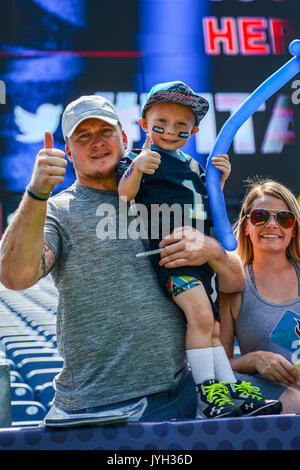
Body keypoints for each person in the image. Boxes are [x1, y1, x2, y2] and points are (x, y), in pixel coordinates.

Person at [0, 94, 245, 425]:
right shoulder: (57, 210)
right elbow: (15, 277)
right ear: (69, 153)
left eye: (105, 131)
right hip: (97, 409)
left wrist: (212, 250)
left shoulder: (176, 194)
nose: (97, 143)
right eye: (82, 137)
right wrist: (37, 192)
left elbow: (235, 281)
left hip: (180, 396)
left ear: (125, 138)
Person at [117, 81, 282, 419]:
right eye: (162, 123)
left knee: (217, 329)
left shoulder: (193, 167)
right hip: (173, 255)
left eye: (182, 126)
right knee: (202, 317)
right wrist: (138, 167)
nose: (171, 130)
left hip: (202, 258)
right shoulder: (140, 158)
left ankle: (227, 388)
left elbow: (203, 206)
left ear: (192, 131)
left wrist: (216, 185)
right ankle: (208, 395)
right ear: (145, 125)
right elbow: (124, 193)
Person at [220, 178, 300, 414]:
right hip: (266, 402)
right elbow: (218, 369)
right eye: (260, 216)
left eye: (284, 218)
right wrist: (254, 360)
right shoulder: (233, 286)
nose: (272, 225)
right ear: (246, 226)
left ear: (294, 229)